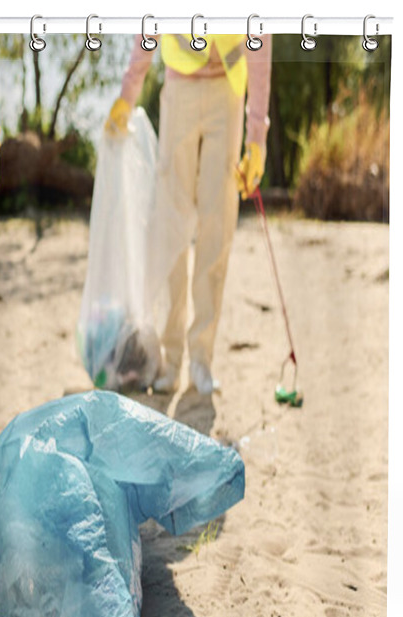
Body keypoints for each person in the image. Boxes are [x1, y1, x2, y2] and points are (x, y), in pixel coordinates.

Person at [106, 33, 272, 395]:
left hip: (226, 89)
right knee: (171, 224)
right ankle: (171, 356)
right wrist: (127, 94)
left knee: (218, 222)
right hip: (179, 90)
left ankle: (201, 358)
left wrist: (256, 137)